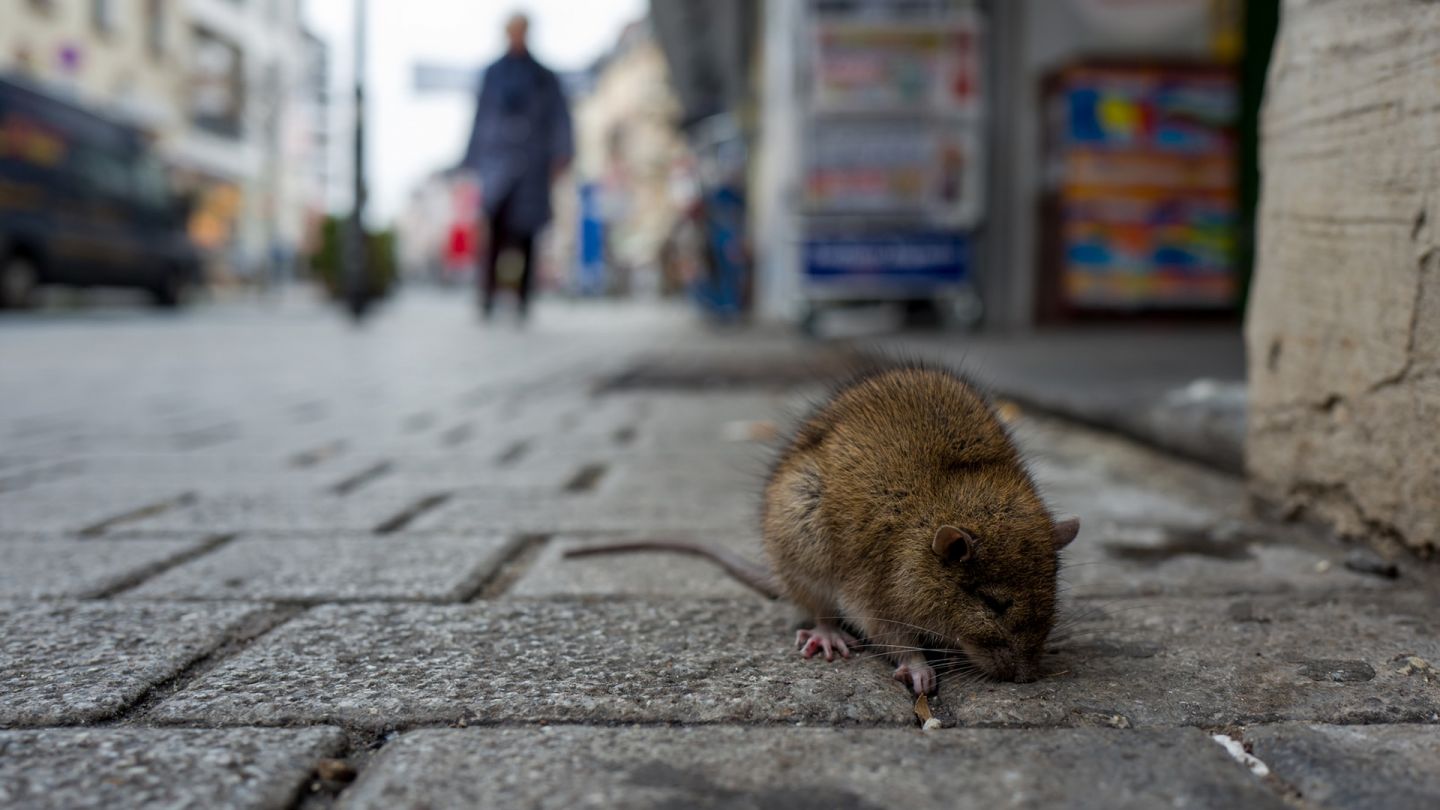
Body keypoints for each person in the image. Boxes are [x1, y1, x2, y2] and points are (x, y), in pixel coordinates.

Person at [461, 12, 573, 321]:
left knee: (527, 234)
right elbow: (479, 118)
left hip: (532, 163)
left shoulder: (545, 77)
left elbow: (560, 118)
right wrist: (471, 161)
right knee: (494, 230)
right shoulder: (492, 74)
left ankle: (523, 300)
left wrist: (562, 154)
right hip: (497, 161)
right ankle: (487, 296)